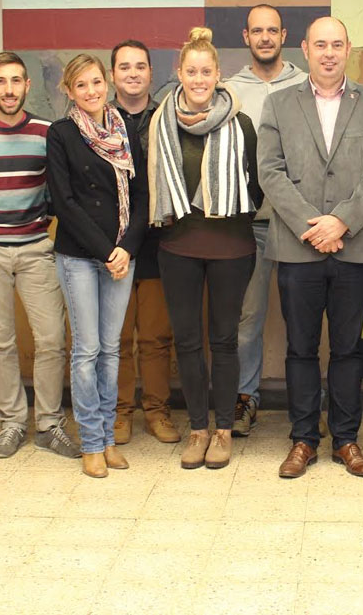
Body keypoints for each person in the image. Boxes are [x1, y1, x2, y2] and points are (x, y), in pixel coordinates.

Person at [258, 16, 363, 479]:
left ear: (348, 49)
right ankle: (303, 439)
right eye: (321, 45)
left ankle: (346, 439)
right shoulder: (279, 104)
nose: (329, 53)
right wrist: (312, 226)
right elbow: (270, 171)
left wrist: (342, 221)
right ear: (305, 49)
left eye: (337, 44)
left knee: (348, 349)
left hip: (354, 247)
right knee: (300, 348)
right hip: (298, 247)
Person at [0, 52, 80, 460]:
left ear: (28, 85)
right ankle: (11, 423)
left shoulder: (46, 132)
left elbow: (56, 189)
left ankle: (49, 424)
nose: (9, 89)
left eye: (16, 81)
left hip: (35, 246)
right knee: (1, 342)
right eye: (0, 81)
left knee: (52, 338)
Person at [149, 27, 262, 469]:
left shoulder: (241, 124)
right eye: (191, 72)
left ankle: (223, 431)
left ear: (218, 75)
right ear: (179, 73)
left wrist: (224, 210)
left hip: (232, 245)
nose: (199, 79)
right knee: (188, 341)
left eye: (206, 72)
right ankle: (198, 429)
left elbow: (254, 185)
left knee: (225, 341)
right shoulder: (161, 123)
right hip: (178, 245)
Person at [46, 53, 147, 478]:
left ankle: (108, 439)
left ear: (107, 83)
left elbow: (142, 196)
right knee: (86, 350)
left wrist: (127, 248)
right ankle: (90, 443)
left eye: (96, 82)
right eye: (81, 85)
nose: (91, 91)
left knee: (111, 349)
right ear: (69, 91)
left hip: (122, 256)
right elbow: (64, 202)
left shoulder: (125, 130)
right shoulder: (61, 134)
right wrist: (107, 252)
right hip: (80, 257)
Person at [226, 4, 308, 437]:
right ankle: (245, 398)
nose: (264, 38)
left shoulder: (305, 84)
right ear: (246, 36)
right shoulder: (228, 90)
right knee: (248, 319)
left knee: (304, 320)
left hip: (298, 223)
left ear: (284, 36)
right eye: (257, 31)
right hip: (250, 223)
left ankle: (307, 406)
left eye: (272, 30)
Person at [109, 39, 180, 446]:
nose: (133, 73)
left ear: (152, 73)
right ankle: (120, 413)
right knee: (117, 338)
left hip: (159, 241)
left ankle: (157, 411)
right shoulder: (99, 121)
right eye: (124, 66)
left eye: (140, 66)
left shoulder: (167, 117)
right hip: (113, 245)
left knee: (155, 336)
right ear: (112, 75)